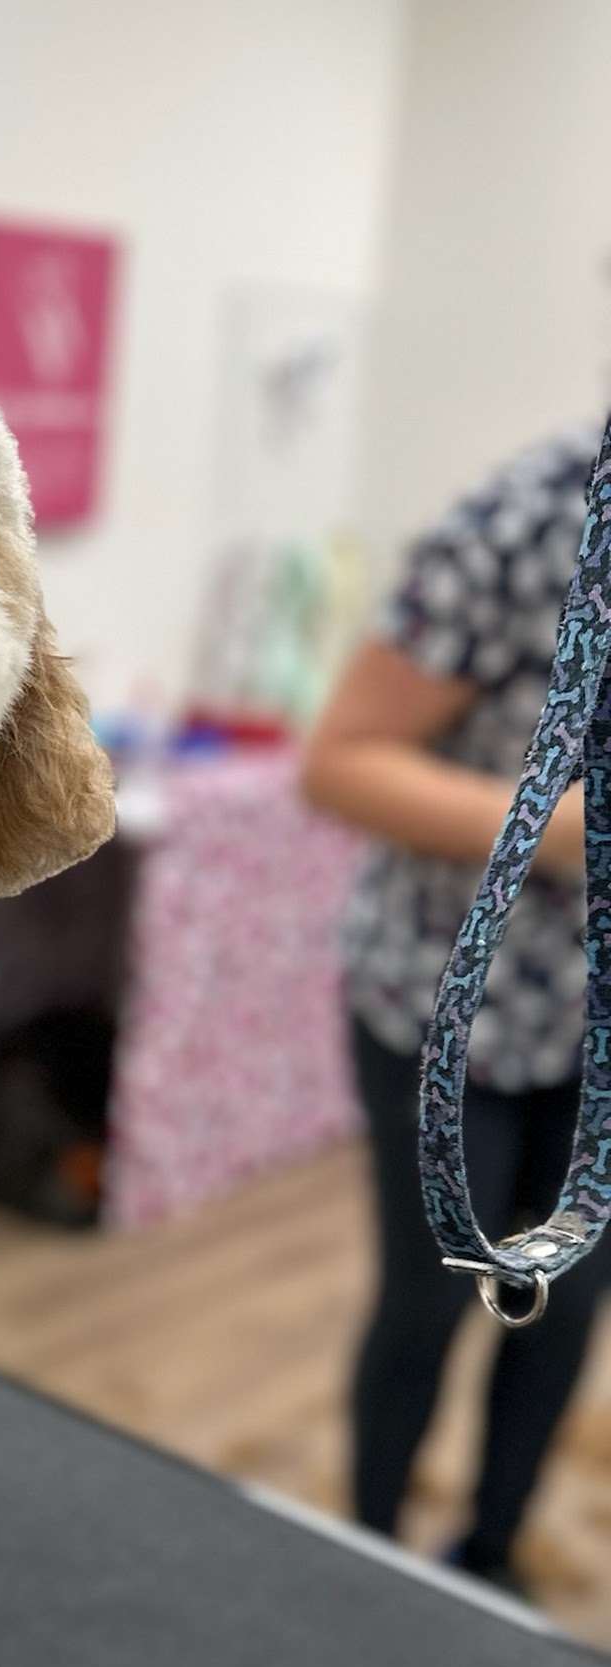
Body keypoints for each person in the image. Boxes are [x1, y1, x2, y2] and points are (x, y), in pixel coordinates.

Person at [302, 424, 607, 1596]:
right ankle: (366, 1564)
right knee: (430, 1304)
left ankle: (488, 1561)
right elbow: (338, 759)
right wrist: (559, 829)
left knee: (563, 1304)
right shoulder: (523, 523)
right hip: (449, 1011)